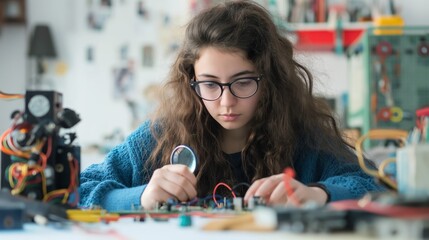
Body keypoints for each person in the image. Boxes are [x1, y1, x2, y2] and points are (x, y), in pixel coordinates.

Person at [79, 0, 385, 211]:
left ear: (270, 80)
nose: (226, 102)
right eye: (210, 84)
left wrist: (318, 194)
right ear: (191, 80)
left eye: (242, 82)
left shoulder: (305, 138)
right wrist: (142, 196)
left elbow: (377, 186)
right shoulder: (158, 137)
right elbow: (78, 189)